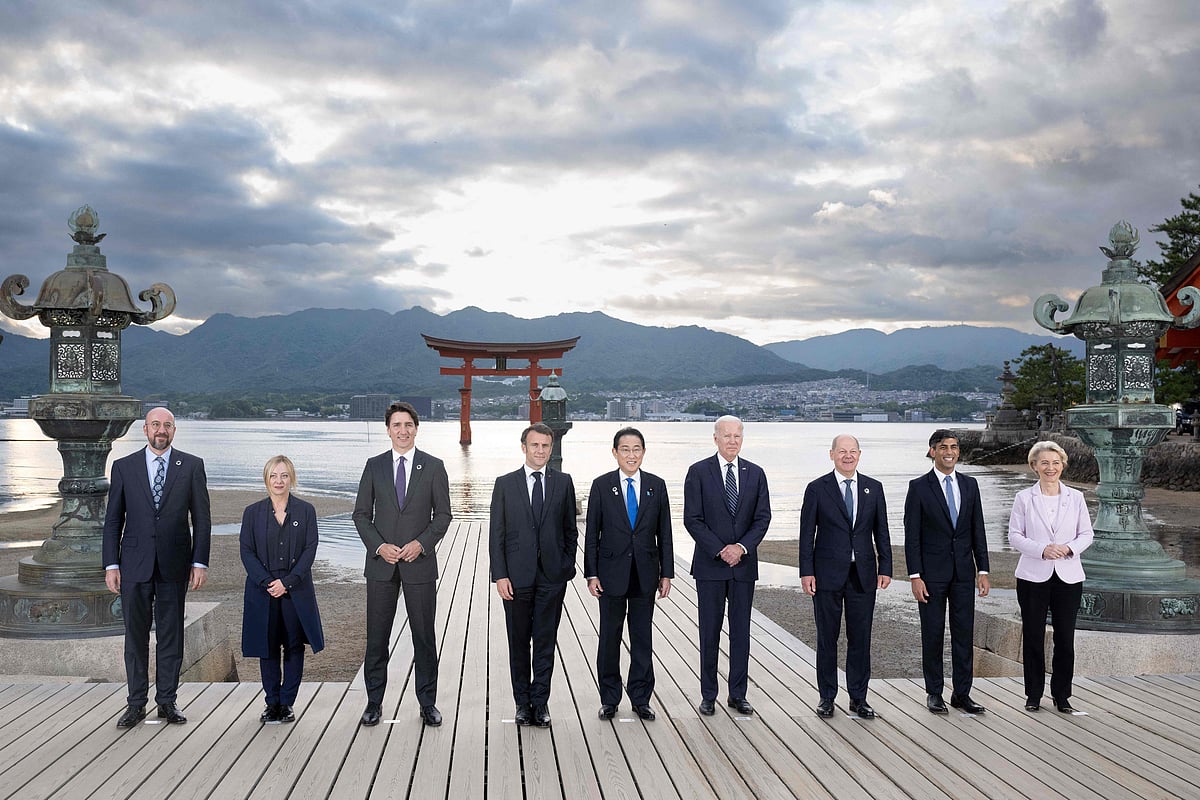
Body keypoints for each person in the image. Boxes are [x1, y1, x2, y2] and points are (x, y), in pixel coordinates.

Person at [103, 407, 211, 729]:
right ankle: (135, 704)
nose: (160, 430)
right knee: (135, 637)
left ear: (174, 431)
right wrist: (111, 564)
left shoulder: (191, 466)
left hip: (175, 565)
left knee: (170, 635)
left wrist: (199, 561)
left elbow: (202, 520)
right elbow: (113, 521)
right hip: (133, 565)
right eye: (154, 425)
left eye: (166, 425)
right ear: (145, 429)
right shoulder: (124, 467)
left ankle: (167, 702)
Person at [353, 401, 452, 727]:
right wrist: (379, 546)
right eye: (397, 425)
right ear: (388, 430)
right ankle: (374, 703)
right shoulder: (374, 465)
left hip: (418, 564)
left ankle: (427, 703)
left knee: (424, 636)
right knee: (377, 637)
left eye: (408, 424)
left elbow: (444, 516)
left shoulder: (433, 466)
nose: (403, 430)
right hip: (381, 564)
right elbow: (361, 515)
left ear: (416, 428)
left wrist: (420, 544)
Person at [489, 423, 578, 728]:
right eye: (535, 445)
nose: (540, 451)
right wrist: (500, 575)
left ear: (551, 449)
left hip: (552, 577)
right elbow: (496, 534)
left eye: (545, 446)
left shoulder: (563, 483)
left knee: (544, 641)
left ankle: (540, 703)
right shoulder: (505, 484)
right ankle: (521, 704)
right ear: (524, 447)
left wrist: (567, 565)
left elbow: (570, 530)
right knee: (518, 642)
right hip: (516, 576)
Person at [683, 415, 771, 717]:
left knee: (741, 632)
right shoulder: (698, 472)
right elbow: (692, 519)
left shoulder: (756, 473)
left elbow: (763, 519)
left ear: (742, 438)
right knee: (709, 631)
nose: (732, 440)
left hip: (744, 566)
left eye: (737, 435)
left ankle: (738, 694)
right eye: (726, 435)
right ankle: (709, 694)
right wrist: (721, 550)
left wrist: (741, 548)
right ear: (715, 438)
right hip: (710, 566)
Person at [799, 434, 892, 719]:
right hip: (826, 575)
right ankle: (827, 697)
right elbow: (806, 535)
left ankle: (858, 698)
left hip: (863, 575)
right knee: (827, 638)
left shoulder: (873, 488)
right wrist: (806, 572)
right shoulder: (817, 489)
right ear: (832, 454)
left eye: (852, 451)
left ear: (860, 454)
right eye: (842, 451)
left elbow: (882, 532)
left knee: (860, 639)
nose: (847, 456)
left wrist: (886, 566)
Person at [584, 427, 673, 721]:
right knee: (609, 637)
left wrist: (667, 573)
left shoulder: (656, 486)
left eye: (636, 449)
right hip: (610, 574)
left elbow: (665, 533)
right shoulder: (601, 485)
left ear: (644, 453)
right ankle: (609, 698)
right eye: (625, 449)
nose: (631, 455)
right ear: (615, 453)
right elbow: (592, 533)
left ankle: (641, 698)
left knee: (642, 638)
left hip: (646, 573)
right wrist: (591, 573)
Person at [903, 430, 990, 715]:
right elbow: (912, 536)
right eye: (943, 447)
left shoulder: (970, 485)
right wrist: (915, 576)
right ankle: (934, 693)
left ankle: (962, 694)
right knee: (933, 635)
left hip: (964, 573)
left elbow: (978, 529)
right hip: (931, 575)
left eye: (953, 447)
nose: (949, 452)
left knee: (964, 635)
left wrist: (983, 570)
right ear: (932, 451)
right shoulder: (918, 487)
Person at [1008, 440, 1094, 713]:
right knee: (1033, 636)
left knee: (1065, 638)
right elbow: (1014, 536)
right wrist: (1042, 550)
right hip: (1033, 575)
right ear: (1034, 466)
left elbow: (1087, 535)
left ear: (1063, 465)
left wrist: (1068, 549)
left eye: (1056, 463)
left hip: (1068, 575)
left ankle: (1062, 695)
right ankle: (1033, 695)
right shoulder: (1024, 498)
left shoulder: (1076, 497)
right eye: (1044, 462)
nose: (1050, 467)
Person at [240, 455, 325, 723]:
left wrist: (287, 582)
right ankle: (271, 703)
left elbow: (310, 550)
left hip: (295, 589)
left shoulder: (306, 511)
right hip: (261, 589)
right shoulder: (252, 513)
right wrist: (267, 582)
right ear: (266, 479)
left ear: (292, 479)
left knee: (293, 645)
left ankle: (287, 703)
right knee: (266, 647)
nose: (279, 481)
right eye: (274, 476)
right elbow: (246, 551)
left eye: (284, 475)